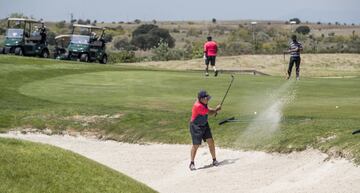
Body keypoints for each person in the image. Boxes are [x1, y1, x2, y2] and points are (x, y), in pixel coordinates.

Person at [189, 90, 221, 171]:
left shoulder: (203, 102)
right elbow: (209, 112)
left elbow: (208, 109)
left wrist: (215, 110)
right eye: (206, 98)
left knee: (211, 141)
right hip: (196, 126)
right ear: (201, 99)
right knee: (196, 145)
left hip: (204, 124)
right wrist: (216, 110)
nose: (208, 99)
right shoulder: (198, 106)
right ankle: (192, 163)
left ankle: (214, 160)